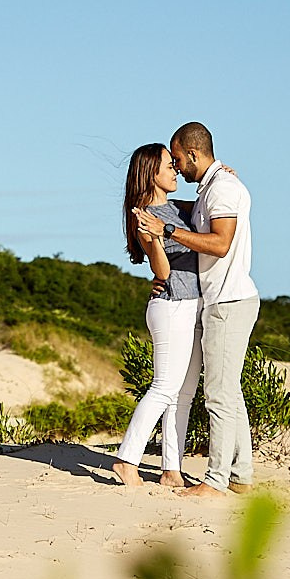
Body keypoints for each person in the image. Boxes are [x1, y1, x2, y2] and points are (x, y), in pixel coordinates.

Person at [132, 121, 257, 497]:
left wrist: (166, 232)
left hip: (228, 302)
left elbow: (220, 244)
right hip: (215, 301)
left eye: (177, 159)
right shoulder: (211, 189)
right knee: (229, 393)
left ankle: (217, 481)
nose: (176, 167)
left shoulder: (222, 188)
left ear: (192, 154)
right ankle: (241, 476)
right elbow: (177, 208)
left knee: (217, 395)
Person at [111, 143, 202, 487]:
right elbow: (162, 271)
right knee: (164, 387)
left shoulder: (179, 208)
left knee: (185, 392)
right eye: (169, 165)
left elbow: (217, 205)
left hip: (193, 304)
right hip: (170, 305)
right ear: (151, 173)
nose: (175, 170)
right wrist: (153, 237)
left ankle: (171, 470)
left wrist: (224, 175)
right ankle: (126, 460)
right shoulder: (144, 215)